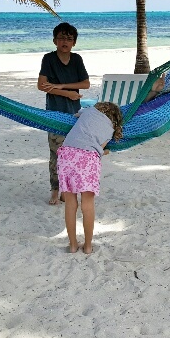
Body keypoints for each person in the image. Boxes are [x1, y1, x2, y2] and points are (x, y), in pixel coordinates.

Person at [57, 102, 123, 254]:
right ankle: (87, 246)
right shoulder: (111, 129)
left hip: (66, 155)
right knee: (87, 204)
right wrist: (105, 152)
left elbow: (76, 115)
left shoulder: (88, 111)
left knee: (70, 203)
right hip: (87, 159)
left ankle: (73, 245)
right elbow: (100, 148)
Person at [38, 22, 90, 205]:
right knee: (56, 152)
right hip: (54, 113)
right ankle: (55, 190)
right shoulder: (49, 59)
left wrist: (62, 85)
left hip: (74, 114)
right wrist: (66, 93)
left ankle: (67, 189)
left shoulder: (76, 59)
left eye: (69, 38)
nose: (65, 42)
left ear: (74, 42)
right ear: (54, 40)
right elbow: (42, 85)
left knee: (72, 152)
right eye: (61, 38)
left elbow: (85, 84)